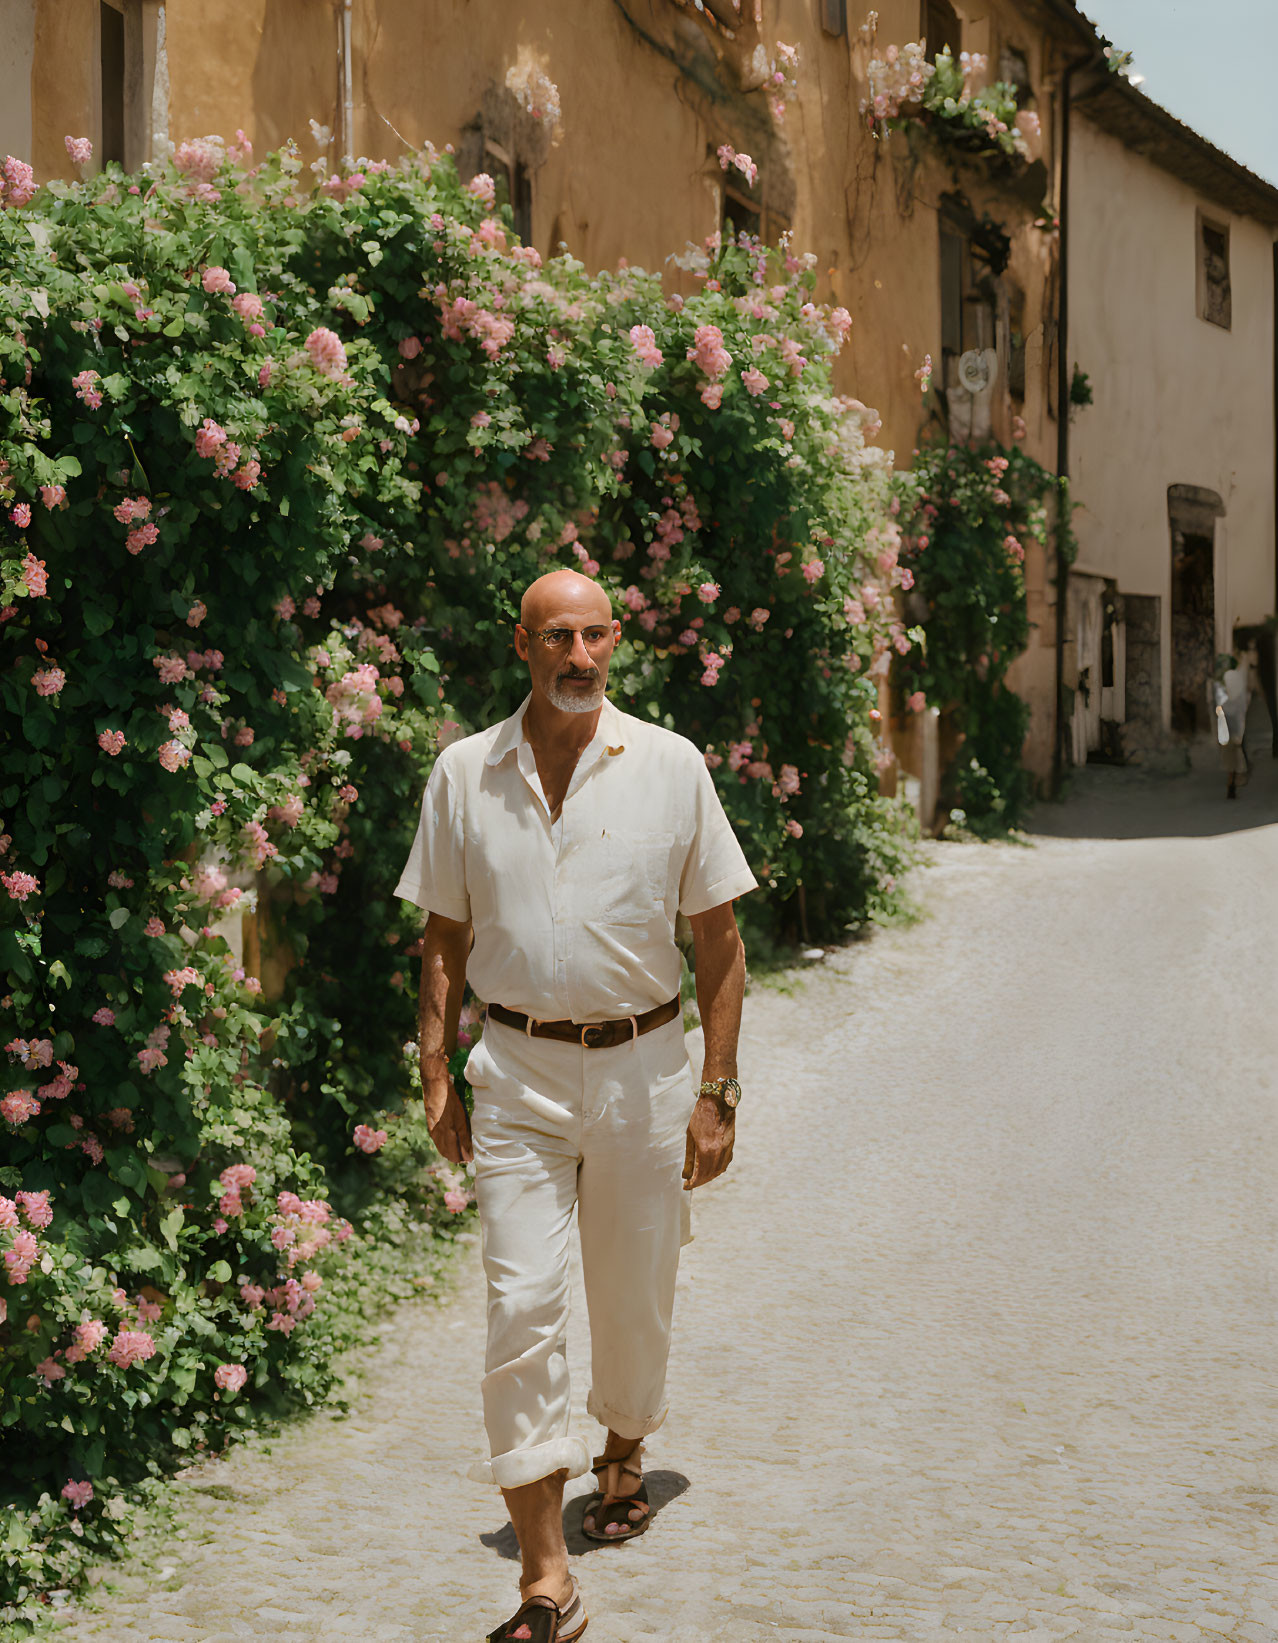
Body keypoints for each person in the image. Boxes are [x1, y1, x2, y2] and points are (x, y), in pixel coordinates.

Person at [395, 569, 757, 1643]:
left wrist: (718, 1088)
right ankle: (546, 1578)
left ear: (617, 642)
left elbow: (719, 943)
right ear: (522, 643)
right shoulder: (466, 772)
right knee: (519, 1304)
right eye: (559, 636)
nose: (580, 655)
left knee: (635, 1292)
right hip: (515, 1073)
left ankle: (625, 1441)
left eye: (596, 634)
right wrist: (432, 1068)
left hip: (646, 1065)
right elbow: (443, 938)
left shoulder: (672, 767)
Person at [1213, 650, 1252, 799]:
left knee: (1230, 751)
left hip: (1226, 719)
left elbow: (1219, 702)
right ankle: (1234, 779)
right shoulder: (1235, 680)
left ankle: (1232, 780)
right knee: (1236, 749)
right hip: (1234, 719)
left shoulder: (1221, 682)